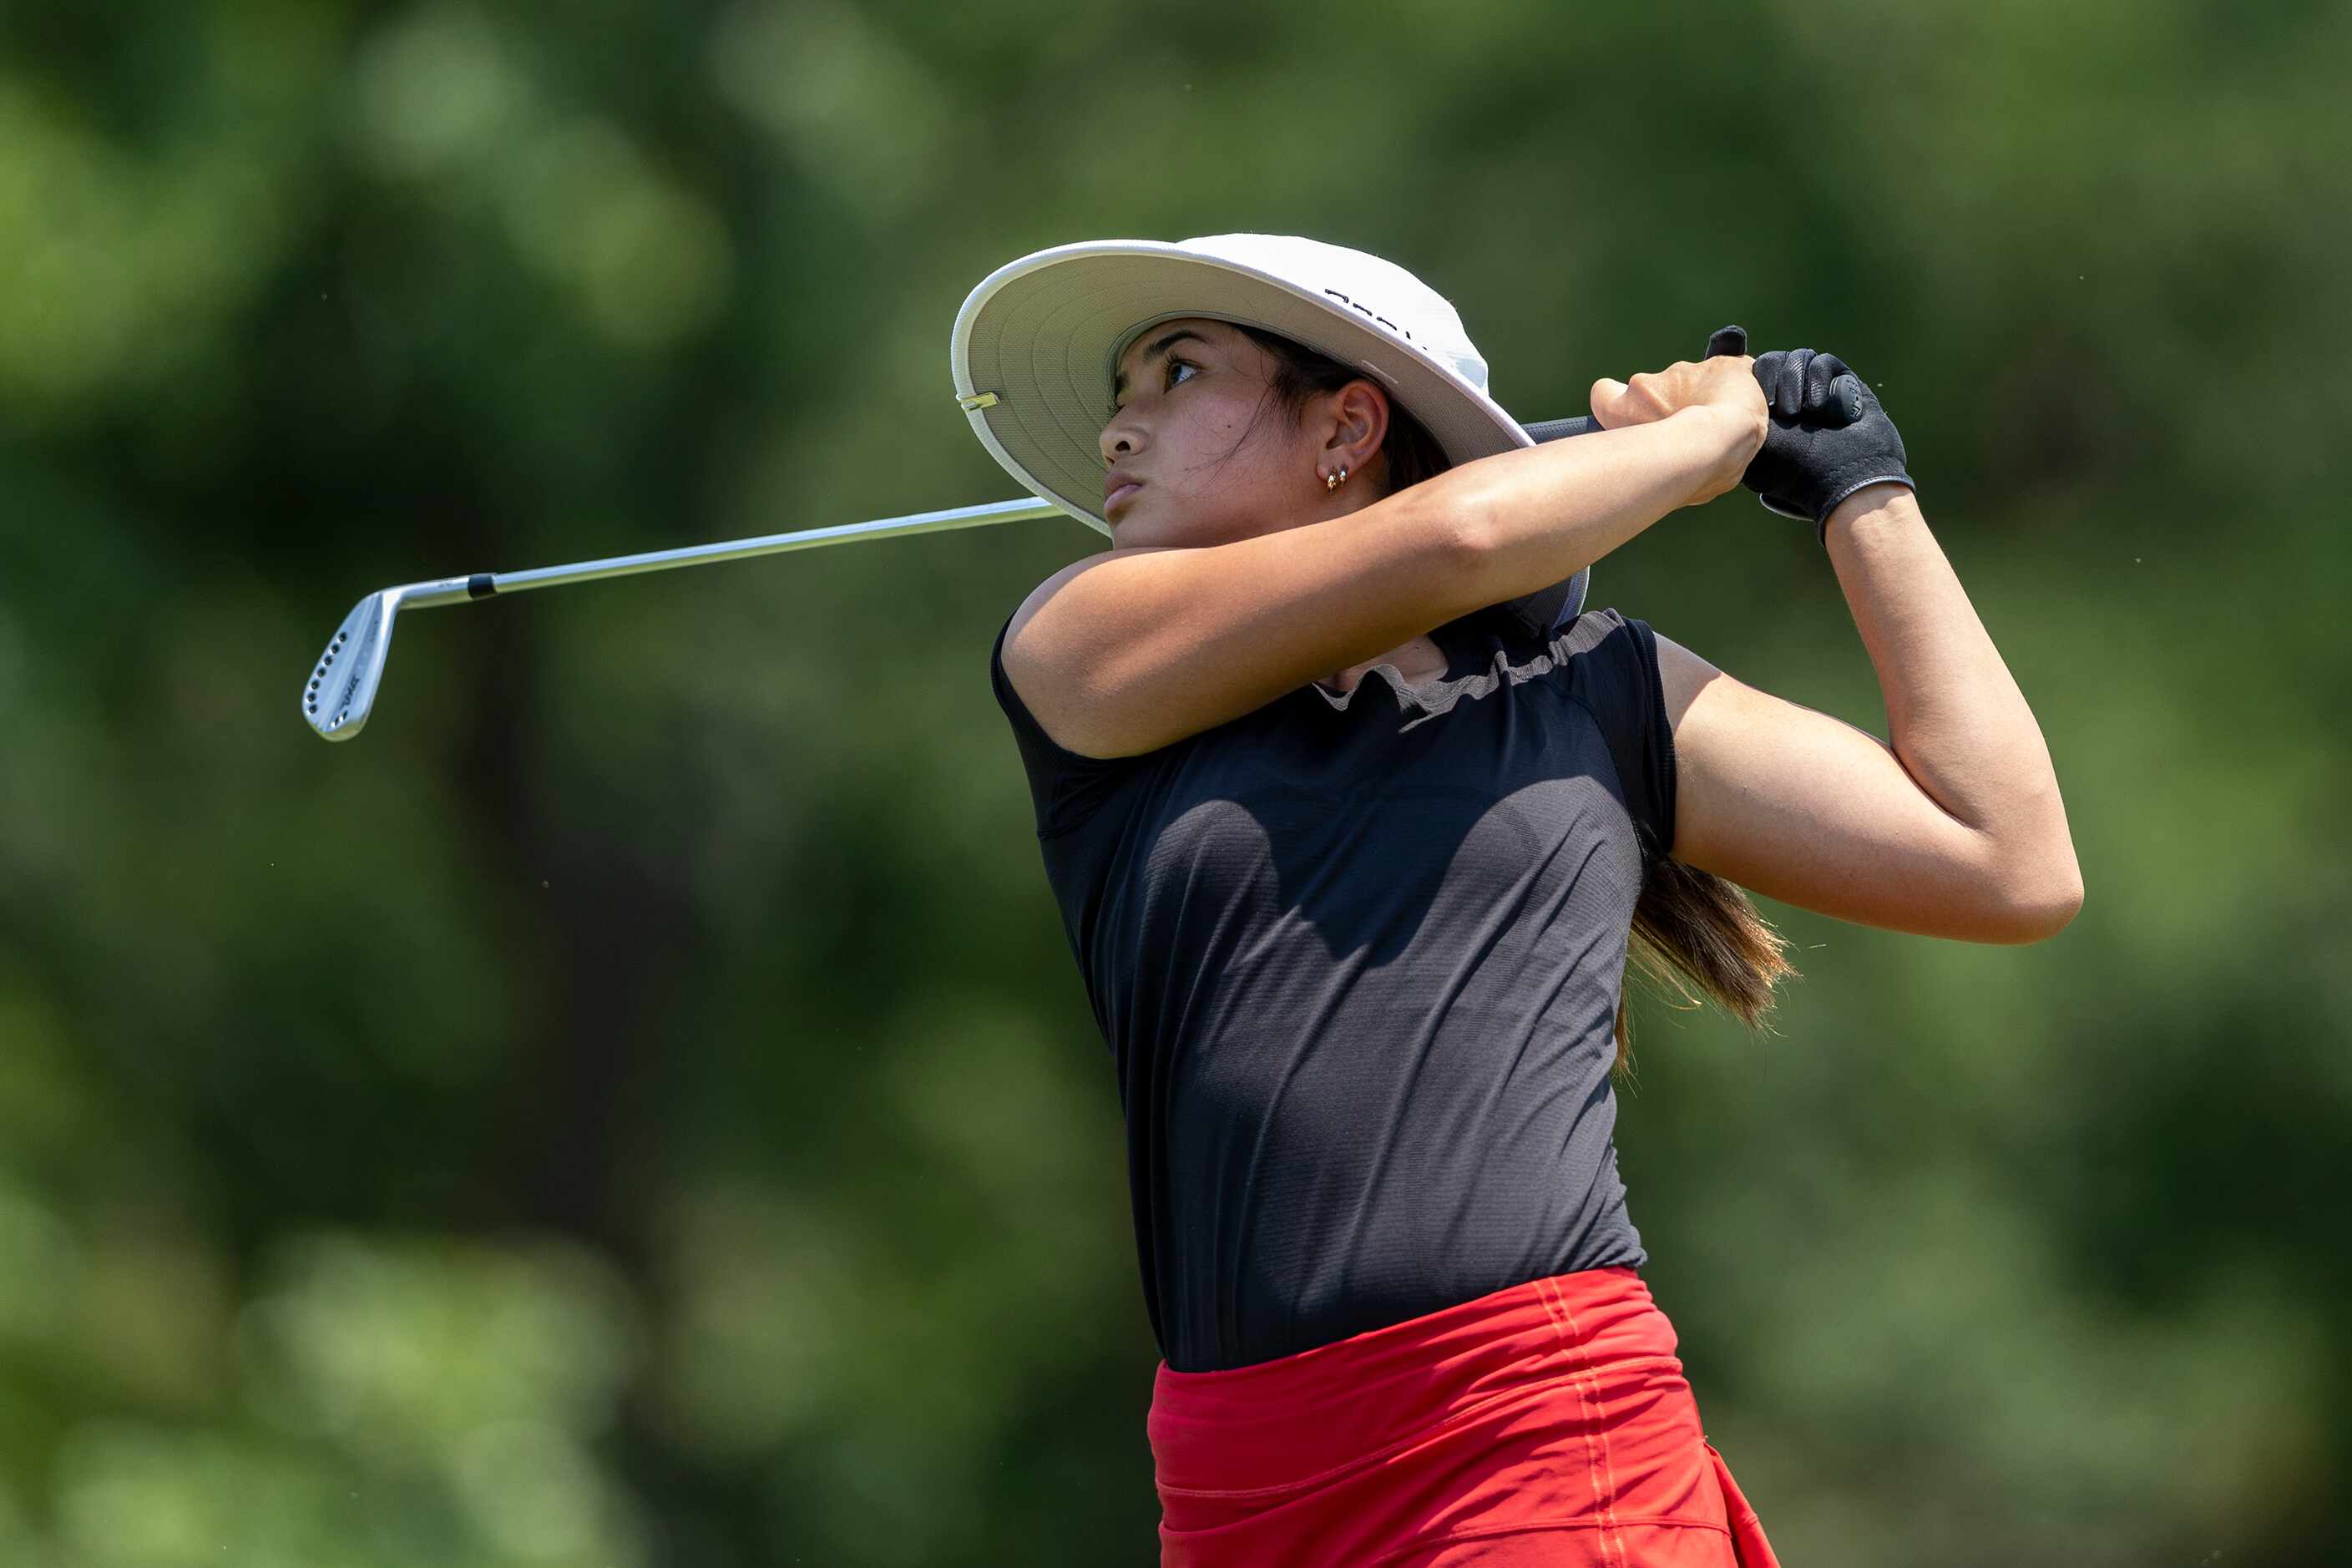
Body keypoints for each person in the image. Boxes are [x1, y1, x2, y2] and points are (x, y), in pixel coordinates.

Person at [951, 234, 2082, 1566]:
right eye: (1120, 389)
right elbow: (1466, 531)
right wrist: (1704, 438)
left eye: (1176, 371)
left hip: (1533, 1436)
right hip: (1235, 1483)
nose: (1119, 425)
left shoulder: (1590, 691)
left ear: (1348, 425)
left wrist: (1860, 489)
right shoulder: (1078, 645)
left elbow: (2006, 858)